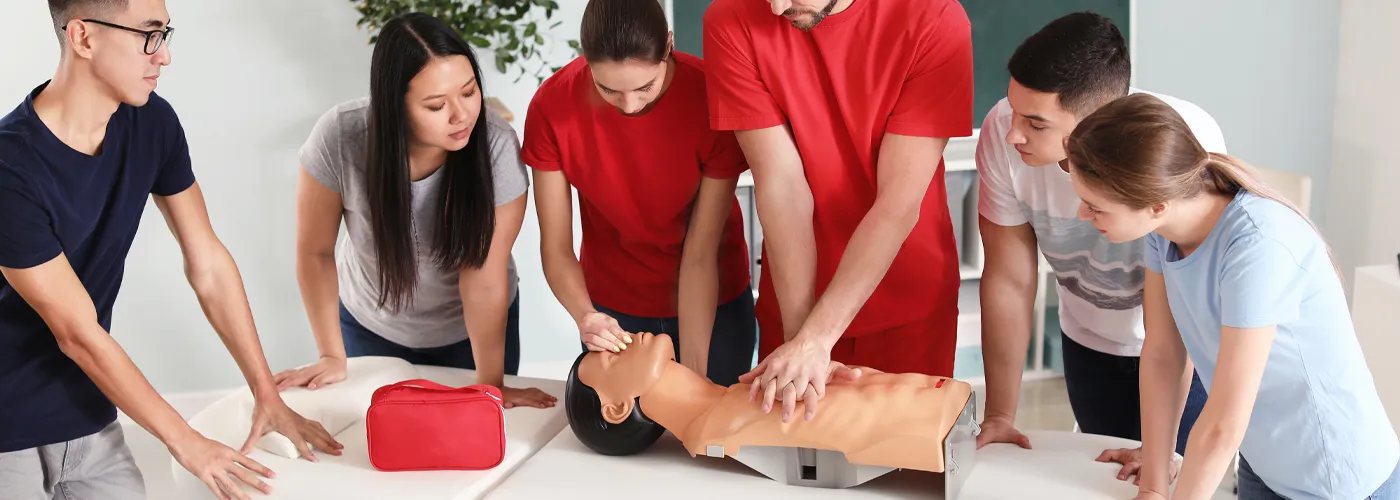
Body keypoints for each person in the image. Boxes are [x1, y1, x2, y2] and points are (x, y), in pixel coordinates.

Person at [0, 1, 340, 499]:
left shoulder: (150, 122)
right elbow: (76, 332)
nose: (164, 56)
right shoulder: (10, 167)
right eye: (148, 34)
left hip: (89, 411)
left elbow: (208, 263)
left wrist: (265, 394)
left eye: (164, 33)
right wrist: (187, 442)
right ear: (83, 37)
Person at [1065, 93, 1400, 500]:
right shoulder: (1163, 232)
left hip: (1334, 479)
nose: (1083, 215)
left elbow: (1223, 421)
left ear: (1156, 204)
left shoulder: (1257, 245)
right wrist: (1153, 487)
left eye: (1095, 207)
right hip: (1264, 462)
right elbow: (1164, 354)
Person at [972, 12, 1220, 478]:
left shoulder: (1180, 138)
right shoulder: (1003, 134)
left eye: (1036, 123)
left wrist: (1158, 447)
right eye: (1013, 110)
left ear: (1098, 120)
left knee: (1172, 479)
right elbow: (1009, 278)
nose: (1013, 134)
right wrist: (1001, 416)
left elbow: (1177, 313)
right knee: (1100, 479)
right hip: (1088, 343)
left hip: (1183, 352)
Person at [702, 0, 974, 421]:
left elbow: (897, 203)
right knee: (792, 466)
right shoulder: (730, 17)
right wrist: (801, 342)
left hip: (907, 302)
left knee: (900, 471)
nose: (776, 8)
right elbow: (781, 185)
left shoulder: (933, 16)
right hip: (795, 298)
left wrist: (816, 339)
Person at [272, 12, 556, 410]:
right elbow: (315, 252)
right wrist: (330, 354)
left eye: (469, 92)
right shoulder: (340, 137)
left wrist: (490, 384)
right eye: (437, 105)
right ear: (395, 107)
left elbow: (484, 276)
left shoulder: (496, 147)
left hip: (471, 336)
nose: (461, 116)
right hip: (370, 326)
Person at [521, 0, 756, 385]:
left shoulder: (711, 96)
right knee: (624, 437)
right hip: (614, 309)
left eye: (646, 86)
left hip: (714, 303)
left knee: (706, 436)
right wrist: (586, 315)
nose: (629, 105)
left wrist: (694, 382)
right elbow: (557, 247)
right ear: (587, 59)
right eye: (608, 89)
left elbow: (700, 252)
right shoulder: (552, 107)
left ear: (668, 45)